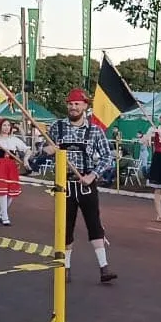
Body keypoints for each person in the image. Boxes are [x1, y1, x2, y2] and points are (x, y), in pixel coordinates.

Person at [45, 89, 117, 283]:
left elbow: (107, 157)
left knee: (94, 225)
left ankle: (104, 268)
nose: (73, 107)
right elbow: (45, 151)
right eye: (70, 103)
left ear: (85, 106)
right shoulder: (57, 127)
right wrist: (47, 150)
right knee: (65, 227)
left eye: (77, 103)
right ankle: (65, 269)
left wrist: (93, 175)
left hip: (86, 184)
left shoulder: (95, 130)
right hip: (64, 185)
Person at [0, 119, 27, 225]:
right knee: (3, 191)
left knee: (11, 192)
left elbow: (27, 149)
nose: (6, 127)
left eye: (8, 125)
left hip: (11, 167)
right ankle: (5, 217)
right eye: (4, 125)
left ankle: (2, 213)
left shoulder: (14, 140)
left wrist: (25, 159)